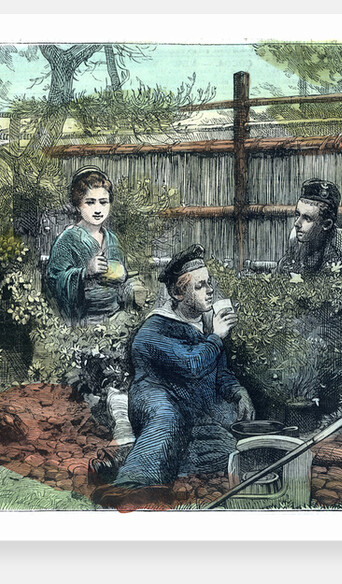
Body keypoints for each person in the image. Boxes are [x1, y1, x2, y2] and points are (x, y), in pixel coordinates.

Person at [106, 244, 255, 495]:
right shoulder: (155, 329)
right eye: (200, 286)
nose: (210, 290)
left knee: (226, 451)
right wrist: (216, 338)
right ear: (178, 294)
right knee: (168, 423)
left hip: (192, 410)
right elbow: (192, 365)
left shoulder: (205, 323)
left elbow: (218, 371)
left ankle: (123, 462)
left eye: (209, 283)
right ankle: (130, 487)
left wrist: (238, 391)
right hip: (158, 403)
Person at [46, 166, 145, 325]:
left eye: (103, 202)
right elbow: (53, 280)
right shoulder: (68, 239)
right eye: (90, 202)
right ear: (78, 204)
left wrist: (126, 281)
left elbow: (121, 281)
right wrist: (85, 272)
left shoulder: (112, 239)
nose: (98, 209)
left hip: (115, 316)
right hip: (83, 321)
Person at [276, 178, 342, 276]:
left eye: (307, 218)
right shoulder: (296, 239)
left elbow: (335, 282)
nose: (297, 223)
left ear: (326, 224)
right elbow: (284, 270)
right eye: (298, 215)